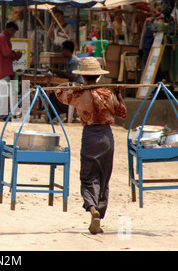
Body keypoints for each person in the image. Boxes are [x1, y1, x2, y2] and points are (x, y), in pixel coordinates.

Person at [55, 57, 127, 235]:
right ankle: (99, 216)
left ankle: (92, 209)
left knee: (89, 176)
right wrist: (118, 94)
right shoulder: (108, 93)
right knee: (103, 176)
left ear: (84, 76)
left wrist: (72, 85)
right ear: (98, 76)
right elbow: (122, 112)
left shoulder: (79, 94)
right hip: (106, 137)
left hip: (90, 137)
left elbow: (58, 93)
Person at [0, 21, 22, 120]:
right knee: (4, 93)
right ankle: (3, 115)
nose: (13, 34)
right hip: (3, 69)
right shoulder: (2, 38)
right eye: (12, 31)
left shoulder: (3, 37)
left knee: (6, 93)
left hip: (4, 69)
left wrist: (15, 54)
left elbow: (7, 53)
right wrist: (16, 55)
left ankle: (5, 114)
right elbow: (7, 53)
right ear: (9, 29)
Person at [48, 40, 83, 121]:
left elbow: (73, 76)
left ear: (67, 50)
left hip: (77, 86)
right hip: (70, 85)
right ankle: (53, 115)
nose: (62, 52)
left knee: (55, 95)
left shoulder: (75, 61)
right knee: (53, 94)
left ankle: (57, 113)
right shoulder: (69, 60)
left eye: (63, 50)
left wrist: (58, 71)